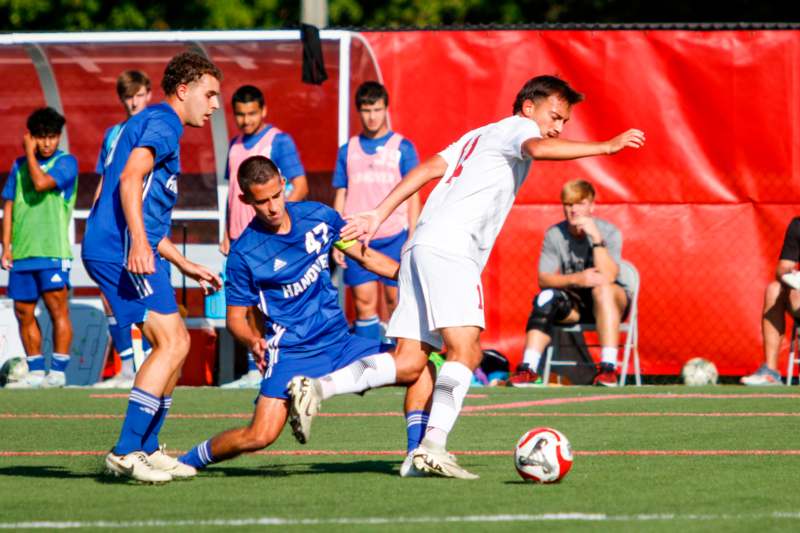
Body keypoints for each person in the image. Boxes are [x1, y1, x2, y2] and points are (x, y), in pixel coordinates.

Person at [290, 75, 645, 479]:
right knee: (467, 352)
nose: (558, 127)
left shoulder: (480, 135)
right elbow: (539, 147)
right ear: (529, 107)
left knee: (409, 362)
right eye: (555, 116)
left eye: (564, 121)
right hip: (451, 249)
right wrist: (606, 146)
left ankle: (317, 388)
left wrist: (378, 213)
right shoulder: (519, 128)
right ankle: (433, 447)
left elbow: (427, 169)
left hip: (420, 245)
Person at [179, 155, 433, 473]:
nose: (273, 207)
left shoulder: (319, 217)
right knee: (260, 435)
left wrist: (415, 278)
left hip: (340, 343)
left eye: (276, 195)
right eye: (262, 201)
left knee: (420, 370)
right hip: (292, 352)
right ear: (245, 200)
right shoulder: (244, 253)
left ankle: (416, 456)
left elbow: (368, 259)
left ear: (284, 183)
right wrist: (253, 341)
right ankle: (184, 461)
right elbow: (235, 319)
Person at [81, 51, 223, 483]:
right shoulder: (163, 123)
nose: (215, 105)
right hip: (119, 249)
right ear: (184, 90)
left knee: (174, 346)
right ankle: (127, 450)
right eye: (210, 93)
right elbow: (128, 179)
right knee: (174, 342)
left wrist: (183, 262)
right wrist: (139, 244)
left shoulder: (162, 125)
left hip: (126, 246)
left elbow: (143, 206)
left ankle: (145, 447)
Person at [220, 85, 309, 389]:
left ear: (264, 111)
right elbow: (231, 194)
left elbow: (300, 185)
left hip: (269, 240)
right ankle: (254, 367)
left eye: (251, 113)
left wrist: (286, 224)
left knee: (273, 305)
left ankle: (283, 364)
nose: (246, 120)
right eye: (240, 115)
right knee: (244, 309)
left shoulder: (279, 141)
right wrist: (226, 232)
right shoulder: (233, 145)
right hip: (240, 241)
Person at [508, 179, 631, 388]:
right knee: (545, 298)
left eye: (579, 203)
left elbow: (608, 276)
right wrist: (577, 278)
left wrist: (596, 239)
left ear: (591, 206)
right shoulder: (555, 234)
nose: (573, 209)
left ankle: (608, 368)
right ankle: (528, 368)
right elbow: (543, 279)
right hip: (576, 302)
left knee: (602, 291)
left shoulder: (608, 232)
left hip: (611, 301)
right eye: (568, 204)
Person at [332, 81, 420, 341]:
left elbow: (414, 193)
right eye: (367, 110)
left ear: (386, 109)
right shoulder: (348, 150)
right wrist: (337, 240)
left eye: (377, 109)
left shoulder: (402, 147)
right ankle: (368, 361)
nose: (372, 116)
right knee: (363, 303)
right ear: (359, 111)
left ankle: (399, 360)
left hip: (394, 236)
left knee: (397, 300)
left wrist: (413, 234)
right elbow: (341, 193)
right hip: (356, 238)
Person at [1, 107, 78, 389]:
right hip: (22, 253)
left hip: (52, 251)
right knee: (23, 311)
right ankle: (34, 371)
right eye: (41, 137)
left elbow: (42, 182)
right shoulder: (17, 167)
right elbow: (8, 206)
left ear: (59, 137)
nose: (47, 143)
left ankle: (57, 372)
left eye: (52, 137)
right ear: (32, 137)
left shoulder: (67, 163)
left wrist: (29, 153)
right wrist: (6, 246)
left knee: (57, 309)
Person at [93, 70, 154, 389]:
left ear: (149, 94)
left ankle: (147, 364)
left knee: (144, 292)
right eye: (128, 96)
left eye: (139, 94)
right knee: (110, 295)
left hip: (140, 225)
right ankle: (127, 366)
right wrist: (94, 213)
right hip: (111, 226)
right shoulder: (112, 134)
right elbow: (105, 177)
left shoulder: (154, 128)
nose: (134, 102)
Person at [740, 218, 800, 385]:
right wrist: (791, 275)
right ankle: (770, 373)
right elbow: (783, 268)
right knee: (774, 289)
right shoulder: (798, 225)